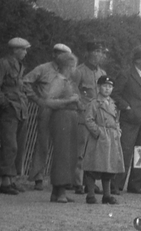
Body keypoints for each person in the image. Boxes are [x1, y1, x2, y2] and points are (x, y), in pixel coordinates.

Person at [22, 42, 73, 190]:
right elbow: (25, 81)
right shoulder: (43, 68)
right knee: (42, 143)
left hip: (64, 110)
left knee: (63, 146)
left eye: (63, 55)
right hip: (47, 109)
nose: (59, 56)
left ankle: (62, 181)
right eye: (56, 53)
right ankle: (38, 178)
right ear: (53, 54)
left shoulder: (69, 71)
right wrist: (36, 99)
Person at [114, 45, 141, 194]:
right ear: (137, 60)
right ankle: (117, 184)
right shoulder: (125, 74)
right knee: (125, 151)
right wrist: (126, 107)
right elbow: (115, 94)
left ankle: (135, 185)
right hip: (129, 119)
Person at [0, 36, 30, 193]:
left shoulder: (19, 66)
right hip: (10, 110)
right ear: (15, 50)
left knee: (18, 146)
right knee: (10, 145)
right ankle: (5, 182)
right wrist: (5, 104)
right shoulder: (3, 64)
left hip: (21, 110)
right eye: (23, 49)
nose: (25, 52)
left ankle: (12, 180)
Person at [41, 50, 84, 203]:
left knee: (68, 155)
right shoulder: (58, 81)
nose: (75, 70)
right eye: (73, 66)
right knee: (62, 155)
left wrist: (77, 102)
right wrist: (68, 101)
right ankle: (60, 192)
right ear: (68, 66)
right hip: (61, 118)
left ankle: (58, 192)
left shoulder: (68, 82)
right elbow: (49, 101)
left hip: (69, 118)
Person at [72, 41, 108, 194]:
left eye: (101, 52)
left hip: (96, 118)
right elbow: (73, 90)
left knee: (93, 152)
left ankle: (90, 183)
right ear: (89, 53)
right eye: (97, 51)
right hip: (82, 115)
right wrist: (80, 104)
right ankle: (77, 182)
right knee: (80, 150)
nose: (100, 55)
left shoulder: (102, 73)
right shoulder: (79, 71)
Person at [82, 75, 124, 204]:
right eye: (105, 86)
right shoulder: (94, 103)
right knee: (93, 166)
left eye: (110, 87)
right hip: (98, 139)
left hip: (112, 138)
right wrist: (98, 132)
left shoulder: (112, 103)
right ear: (99, 87)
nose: (107, 89)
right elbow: (88, 119)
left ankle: (106, 195)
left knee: (109, 167)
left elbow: (116, 120)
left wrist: (118, 131)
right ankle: (90, 195)